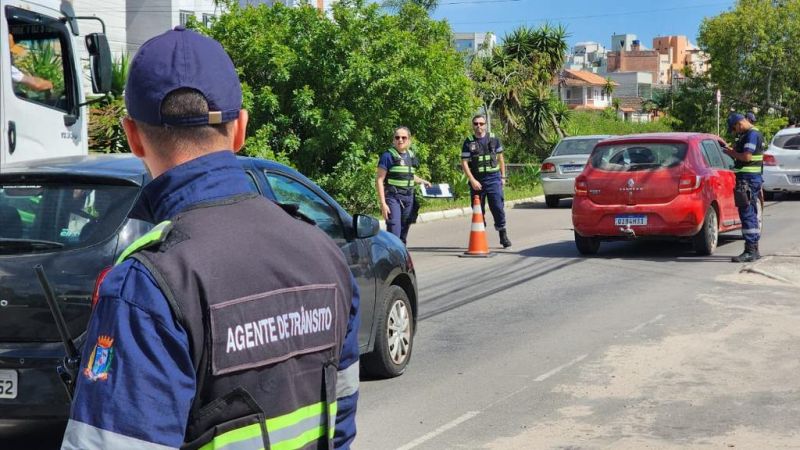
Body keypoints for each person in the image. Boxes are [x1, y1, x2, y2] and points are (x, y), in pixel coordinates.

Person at [61, 26, 360, 450]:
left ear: (132, 136)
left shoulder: (150, 285)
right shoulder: (325, 255)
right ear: (240, 129)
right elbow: (341, 425)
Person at [461, 114, 512, 248]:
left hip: (493, 178)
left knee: (497, 207)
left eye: (481, 123)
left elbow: (501, 159)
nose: (478, 126)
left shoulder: (494, 139)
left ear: (485, 125)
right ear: (473, 126)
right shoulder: (468, 141)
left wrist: (503, 177)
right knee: (478, 210)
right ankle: (480, 236)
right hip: (477, 180)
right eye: (476, 124)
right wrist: (472, 180)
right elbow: (464, 162)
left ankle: (503, 234)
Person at [376, 126, 430, 244]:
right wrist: (383, 204)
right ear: (393, 140)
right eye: (397, 137)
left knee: (403, 232)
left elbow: (409, 175)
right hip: (393, 198)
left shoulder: (411, 155)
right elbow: (379, 180)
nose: (400, 140)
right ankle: (392, 254)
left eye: (403, 137)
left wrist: (422, 181)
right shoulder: (387, 156)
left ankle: (401, 253)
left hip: (409, 198)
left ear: (409, 140)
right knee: (394, 230)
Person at [722, 112, 764, 263]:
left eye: (735, 129)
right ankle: (754, 249)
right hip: (750, 179)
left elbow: (747, 157)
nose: (735, 132)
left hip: (748, 180)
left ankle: (750, 251)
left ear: (739, 124)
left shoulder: (752, 134)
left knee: (747, 214)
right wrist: (733, 151)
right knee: (750, 212)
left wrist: (731, 153)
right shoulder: (752, 134)